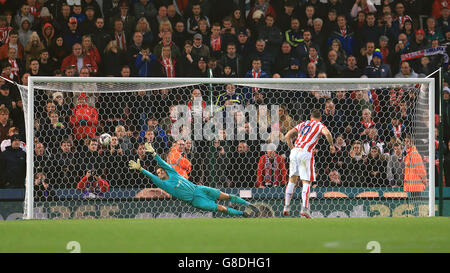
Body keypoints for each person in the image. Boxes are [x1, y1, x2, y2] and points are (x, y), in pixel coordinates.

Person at [128, 142, 259, 217]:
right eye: (158, 172)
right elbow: (151, 177)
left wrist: (154, 154)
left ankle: (250, 205)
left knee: (226, 196)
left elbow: (162, 162)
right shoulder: (164, 184)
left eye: (161, 170)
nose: (160, 172)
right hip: (195, 200)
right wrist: (141, 169)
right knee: (221, 208)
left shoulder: (173, 173)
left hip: (199, 189)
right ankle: (243, 214)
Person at [283, 109, 335, 218]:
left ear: (311, 117)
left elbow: (287, 136)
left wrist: (292, 148)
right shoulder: (319, 125)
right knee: (306, 182)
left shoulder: (303, 124)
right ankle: (305, 208)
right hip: (306, 153)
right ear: (320, 118)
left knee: (292, 180)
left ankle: (286, 206)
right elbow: (328, 133)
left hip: (295, 151)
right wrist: (331, 144)